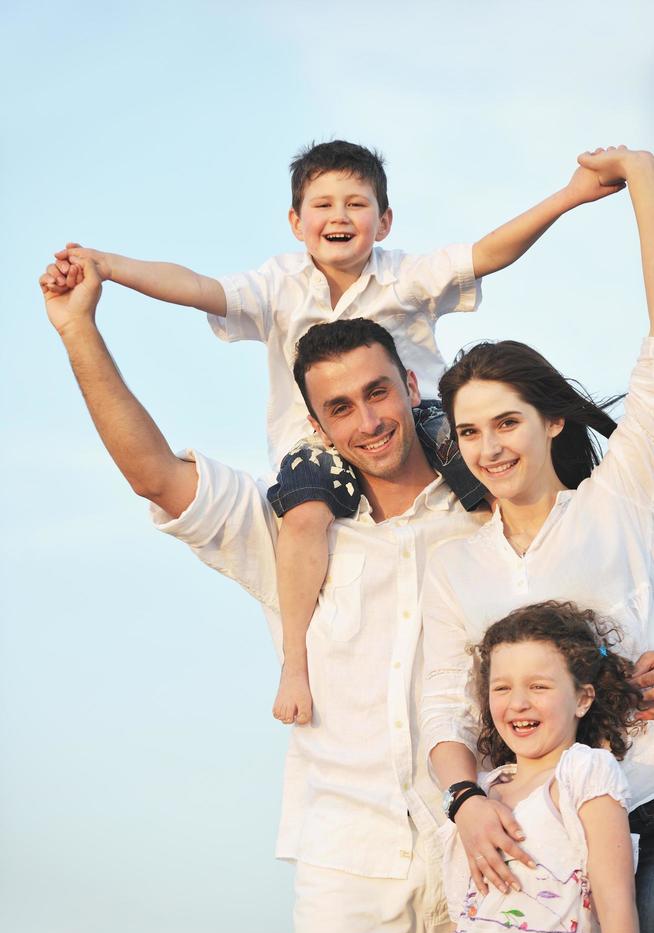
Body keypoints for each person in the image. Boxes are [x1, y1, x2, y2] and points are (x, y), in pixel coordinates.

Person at [41, 139, 623, 729]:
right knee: (303, 518)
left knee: (505, 500)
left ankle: (570, 632)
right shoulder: (277, 285)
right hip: (311, 447)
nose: (339, 217)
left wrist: (571, 196)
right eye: (322, 205)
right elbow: (197, 288)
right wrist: (110, 268)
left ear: (384, 219)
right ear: (295, 223)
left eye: (356, 203)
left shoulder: (405, 274)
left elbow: (488, 252)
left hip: (427, 421)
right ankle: (296, 660)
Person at [38, 246, 499, 933]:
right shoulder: (285, 531)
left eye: (380, 392)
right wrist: (78, 331)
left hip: (488, 842)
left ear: (412, 385)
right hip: (346, 862)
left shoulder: (492, 514)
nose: (370, 420)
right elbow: (154, 475)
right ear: (316, 424)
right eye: (340, 408)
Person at [420, 145, 654, 933]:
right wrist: (464, 805)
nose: (488, 446)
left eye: (507, 422)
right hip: (529, 838)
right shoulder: (455, 568)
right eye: (470, 431)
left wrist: (642, 179)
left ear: (552, 422)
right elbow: (446, 712)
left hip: (647, 806)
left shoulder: (619, 499)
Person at [438, 600, 649, 933]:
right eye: (501, 687)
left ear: (583, 699)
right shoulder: (483, 797)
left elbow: (617, 906)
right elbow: (462, 926)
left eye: (538, 686)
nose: (518, 702)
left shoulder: (583, 774)